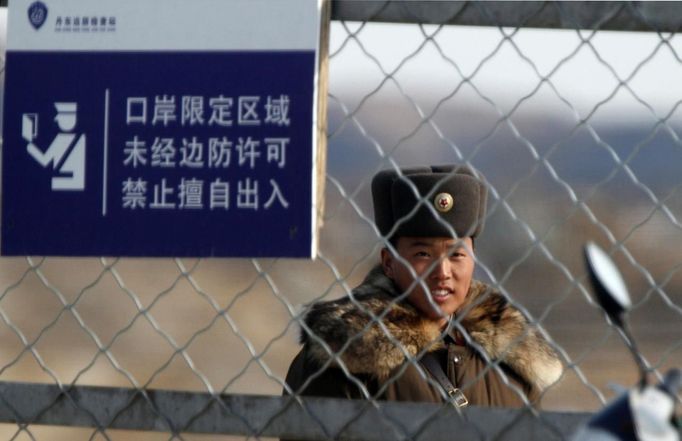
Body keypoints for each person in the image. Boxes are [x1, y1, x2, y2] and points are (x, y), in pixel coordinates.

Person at [284, 165, 562, 408]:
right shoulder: (344, 358)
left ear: (473, 259)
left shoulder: (512, 365)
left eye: (456, 255)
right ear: (389, 262)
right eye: (422, 255)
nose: (442, 272)